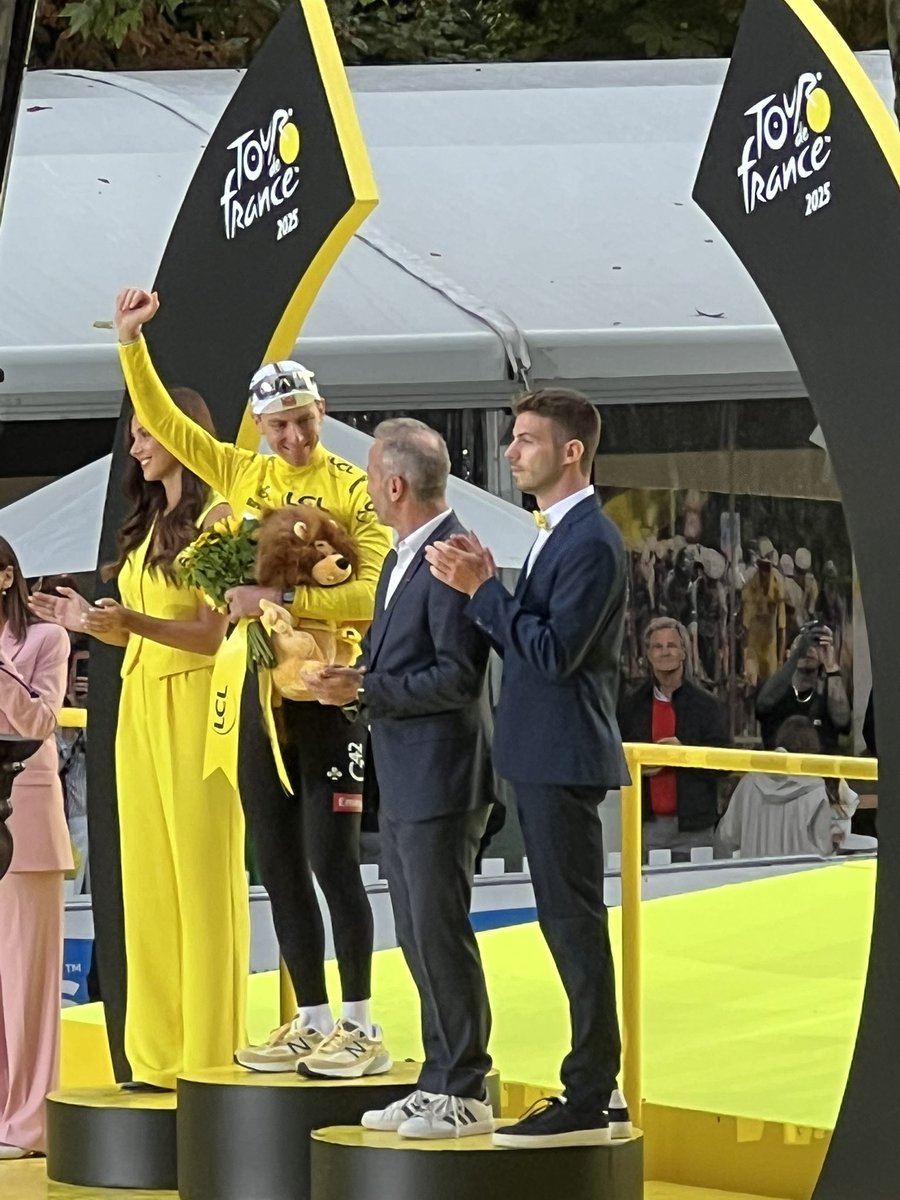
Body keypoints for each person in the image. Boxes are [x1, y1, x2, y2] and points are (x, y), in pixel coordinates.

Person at [113, 288, 392, 1075]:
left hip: (329, 697)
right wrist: (131, 345)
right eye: (280, 426)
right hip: (255, 704)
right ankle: (308, 1018)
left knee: (332, 860)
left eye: (304, 419)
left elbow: (370, 591)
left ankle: (363, 1026)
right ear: (259, 431)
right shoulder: (241, 472)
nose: (295, 435)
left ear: (321, 412)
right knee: (276, 859)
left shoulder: (351, 484)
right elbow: (167, 424)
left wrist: (283, 598)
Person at [426, 387, 631, 1150]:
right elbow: (538, 642)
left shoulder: (592, 541)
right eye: (512, 439)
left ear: (571, 451)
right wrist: (494, 593)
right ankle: (591, 1085)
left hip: (563, 755)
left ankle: (590, 1090)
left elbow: (550, 652)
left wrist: (484, 592)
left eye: (525, 439)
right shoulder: (560, 535)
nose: (511, 452)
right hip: (543, 753)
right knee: (566, 922)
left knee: (574, 925)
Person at [30, 389, 249, 1091]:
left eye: (148, 433)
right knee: (149, 879)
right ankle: (157, 1058)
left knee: (201, 880)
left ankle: (210, 1055)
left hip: (194, 705)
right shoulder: (149, 521)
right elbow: (135, 622)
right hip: (139, 703)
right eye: (136, 435)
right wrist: (88, 622)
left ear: (186, 435)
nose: (138, 446)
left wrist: (129, 625)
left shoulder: (221, 521)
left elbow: (213, 635)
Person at [304, 418, 495, 1134]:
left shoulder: (450, 558)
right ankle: (439, 1074)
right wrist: (359, 677)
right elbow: (406, 664)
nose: (364, 490)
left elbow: (456, 676)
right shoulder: (400, 558)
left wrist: (364, 692)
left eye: (370, 476)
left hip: (442, 776)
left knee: (439, 930)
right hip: (409, 773)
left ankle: (465, 1086)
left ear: (393, 484)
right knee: (416, 931)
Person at [0, 537, 71, 1157]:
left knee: (27, 982)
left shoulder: (45, 640)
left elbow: (41, 721)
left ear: (5, 578)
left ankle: (29, 1125)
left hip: (25, 821)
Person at [618, 617, 729, 862]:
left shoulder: (707, 706)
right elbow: (615, 756)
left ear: (683, 653)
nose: (665, 651)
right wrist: (637, 767)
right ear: (648, 655)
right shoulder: (631, 707)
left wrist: (684, 754)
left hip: (694, 827)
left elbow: (725, 763)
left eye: (671, 645)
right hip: (647, 824)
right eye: (657, 646)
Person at [716, 716, 843, 859]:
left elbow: (727, 836)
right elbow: (823, 848)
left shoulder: (749, 783)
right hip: (799, 877)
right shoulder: (815, 791)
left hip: (755, 877)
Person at [755, 622, 850, 754]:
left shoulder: (827, 699)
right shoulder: (775, 691)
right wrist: (798, 652)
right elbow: (763, 703)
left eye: (816, 645)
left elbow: (842, 721)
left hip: (819, 772)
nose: (809, 649)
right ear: (788, 653)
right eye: (803, 643)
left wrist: (831, 665)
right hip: (778, 772)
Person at [741, 553, 786, 687]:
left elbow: (782, 628)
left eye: (767, 567)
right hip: (753, 649)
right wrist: (745, 661)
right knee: (750, 686)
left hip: (770, 650)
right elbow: (745, 628)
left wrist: (780, 661)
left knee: (770, 692)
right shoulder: (750, 588)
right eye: (762, 567)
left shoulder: (778, 590)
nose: (764, 572)